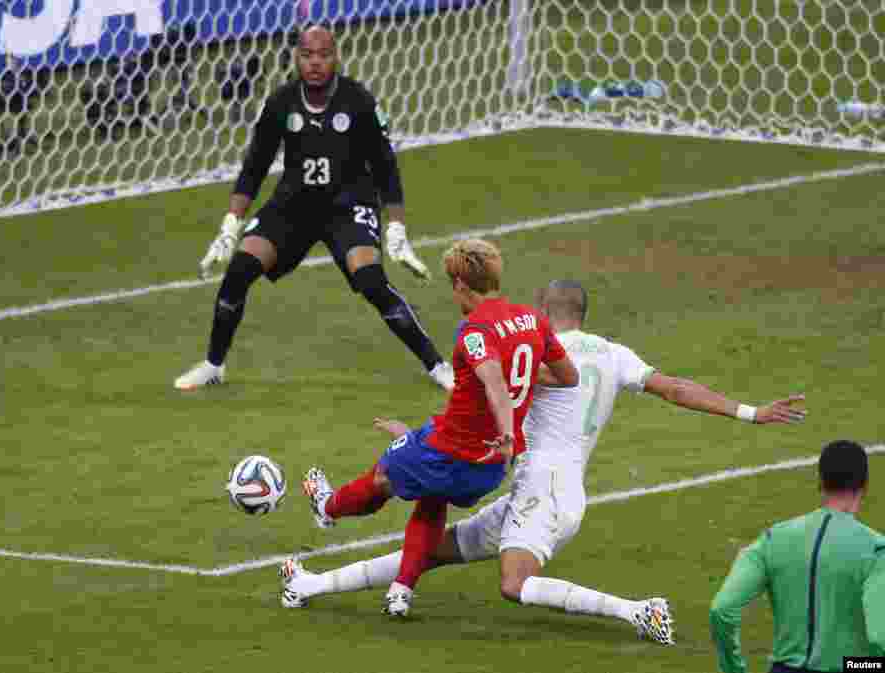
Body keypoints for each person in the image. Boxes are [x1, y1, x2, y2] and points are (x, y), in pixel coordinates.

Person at [280, 279, 807, 642]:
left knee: (515, 584)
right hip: (557, 488)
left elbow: (482, 402)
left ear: (545, 310)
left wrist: (421, 440)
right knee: (433, 552)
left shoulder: (531, 348)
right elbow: (675, 388)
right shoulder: (614, 353)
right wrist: (749, 411)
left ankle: (639, 612)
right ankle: (310, 585)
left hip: (543, 488)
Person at [297, 240, 579, 617]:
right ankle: (400, 591)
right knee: (432, 497)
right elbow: (568, 377)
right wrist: (521, 385)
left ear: (461, 284)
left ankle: (327, 506)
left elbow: (493, 380)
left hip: (450, 450)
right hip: (489, 468)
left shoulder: (474, 330)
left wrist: (507, 428)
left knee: (384, 474)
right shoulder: (533, 319)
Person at [175, 25, 453, 391]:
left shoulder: (358, 102)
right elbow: (254, 167)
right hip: (295, 205)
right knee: (240, 269)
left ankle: (437, 366)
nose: (315, 63)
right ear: (296, 57)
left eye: (323, 55)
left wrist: (396, 227)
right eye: (307, 55)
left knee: (370, 280)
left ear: (336, 57)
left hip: (348, 204)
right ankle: (214, 365)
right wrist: (230, 225)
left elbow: (385, 165)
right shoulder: (280, 103)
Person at [711, 440, 884, 673]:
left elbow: (722, 609)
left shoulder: (773, 539)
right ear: (865, 485)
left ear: (820, 481)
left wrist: (732, 669)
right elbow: (879, 636)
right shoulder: (875, 550)